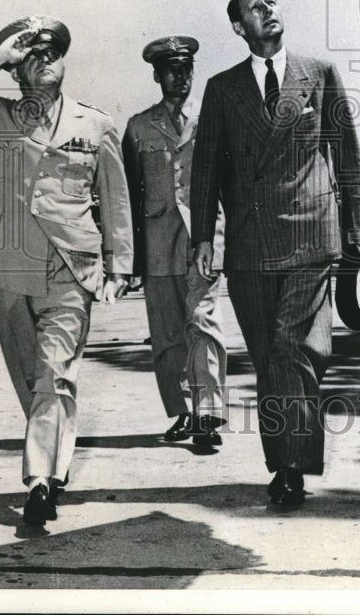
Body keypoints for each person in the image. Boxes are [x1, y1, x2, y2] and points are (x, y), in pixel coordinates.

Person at [0, 16, 133, 525]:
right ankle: (52, 451)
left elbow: (116, 200)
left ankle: (40, 482)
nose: (45, 61)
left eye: (53, 53)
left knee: (54, 376)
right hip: (10, 268)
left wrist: (121, 265)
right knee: (29, 379)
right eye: (32, 54)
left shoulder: (94, 126)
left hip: (71, 269)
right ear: (18, 68)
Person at [190, 0, 360, 507]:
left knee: (296, 351)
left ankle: (291, 467)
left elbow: (348, 155)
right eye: (255, 7)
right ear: (237, 26)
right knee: (270, 356)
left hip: (311, 235)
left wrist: (359, 230)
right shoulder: (223, 89)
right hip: (249, 243)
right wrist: (204, 234)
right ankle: (284, 459)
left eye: (273, 1)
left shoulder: (318, 74)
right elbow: (206, 168)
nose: (269, 10)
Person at [123, 36, 227, 451]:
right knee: (166, 333)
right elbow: (129, 196)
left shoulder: (212, 120)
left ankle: (208, 413)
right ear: (157, 75)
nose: (180, 77)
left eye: (186, 69)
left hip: (203, 238)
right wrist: (129, 257)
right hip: (156, 242)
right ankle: (183, 411)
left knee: (203, 321)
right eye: (171, 70)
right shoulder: (137, 126)